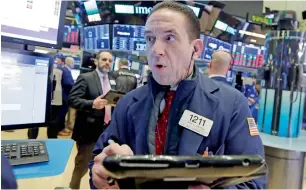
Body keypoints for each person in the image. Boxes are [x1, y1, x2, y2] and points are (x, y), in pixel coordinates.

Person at [89, 2, 267, 189]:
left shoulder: (232, 104)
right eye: (150, 39)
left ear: (196, 49)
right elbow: (97, 161)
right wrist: (101, 176)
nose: (156, 50)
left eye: (170, 38)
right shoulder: (128, 103)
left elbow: (253, 181)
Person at [68, 51, 117, 189]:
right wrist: (92, 104)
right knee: (82, 166)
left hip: (107, 130)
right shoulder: (86, 78)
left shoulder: (112, 79)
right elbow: (72, 100)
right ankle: (73, 187)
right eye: (104, 59)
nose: (107, 62)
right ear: (96, 61)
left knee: (103, 167)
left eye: (110, 60)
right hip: (88, 131)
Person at [57, 56, 75, 136]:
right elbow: (67, 83)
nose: (74, 64)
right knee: (62, 113)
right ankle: (60, 129)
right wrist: (75, 85)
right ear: (70, 63)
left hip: (64, 95)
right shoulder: (65, 70)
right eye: (73, 63)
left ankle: (61, 128)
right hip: (64, 96)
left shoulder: (66, 70)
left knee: (63, 113)